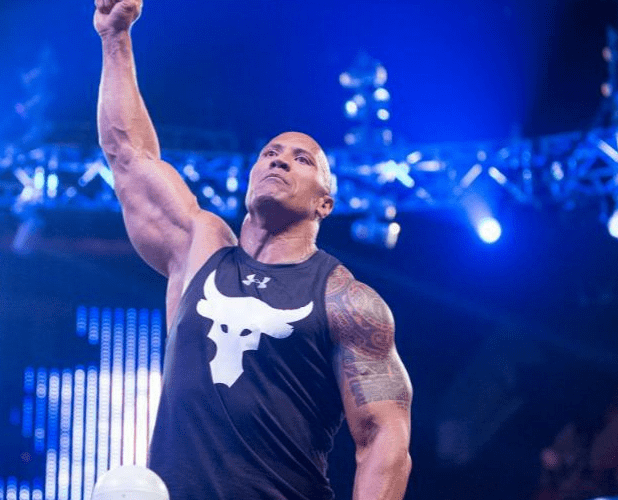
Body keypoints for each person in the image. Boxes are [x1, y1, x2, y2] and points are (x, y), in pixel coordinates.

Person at [93, 1, 413, 498]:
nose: (279, 161)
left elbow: (383, 440)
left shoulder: (346, 301)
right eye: (270, 153)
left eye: (301, 159)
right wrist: (115, 38)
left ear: (324, 203)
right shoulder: (200, 250)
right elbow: (130, 157)